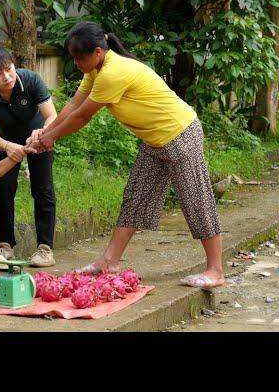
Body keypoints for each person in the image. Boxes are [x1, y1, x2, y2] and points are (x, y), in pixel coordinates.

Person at [27, 21, 224, 290]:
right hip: (154, 140)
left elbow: (84, 116)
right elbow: (74, 104)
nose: (76, 63)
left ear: (97, 52)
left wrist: (50, 138)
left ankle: (216, 270)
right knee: (135, 198)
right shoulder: (97, 69)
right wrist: (45, 133)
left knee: (195, 200)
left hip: (180, 134)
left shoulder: (113, 72)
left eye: (78, 58)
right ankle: (108, 261)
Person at [0, 46, 58, 267]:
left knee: (43, 189)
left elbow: (51, 115)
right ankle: (5, 245)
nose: (7, 77)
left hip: (38, 138)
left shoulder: (30, 80)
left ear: (14, 65)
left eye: (9, 69)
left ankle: (45, 249)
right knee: (4, 188)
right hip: (5, 141)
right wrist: (9, 147)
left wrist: (41, 134)